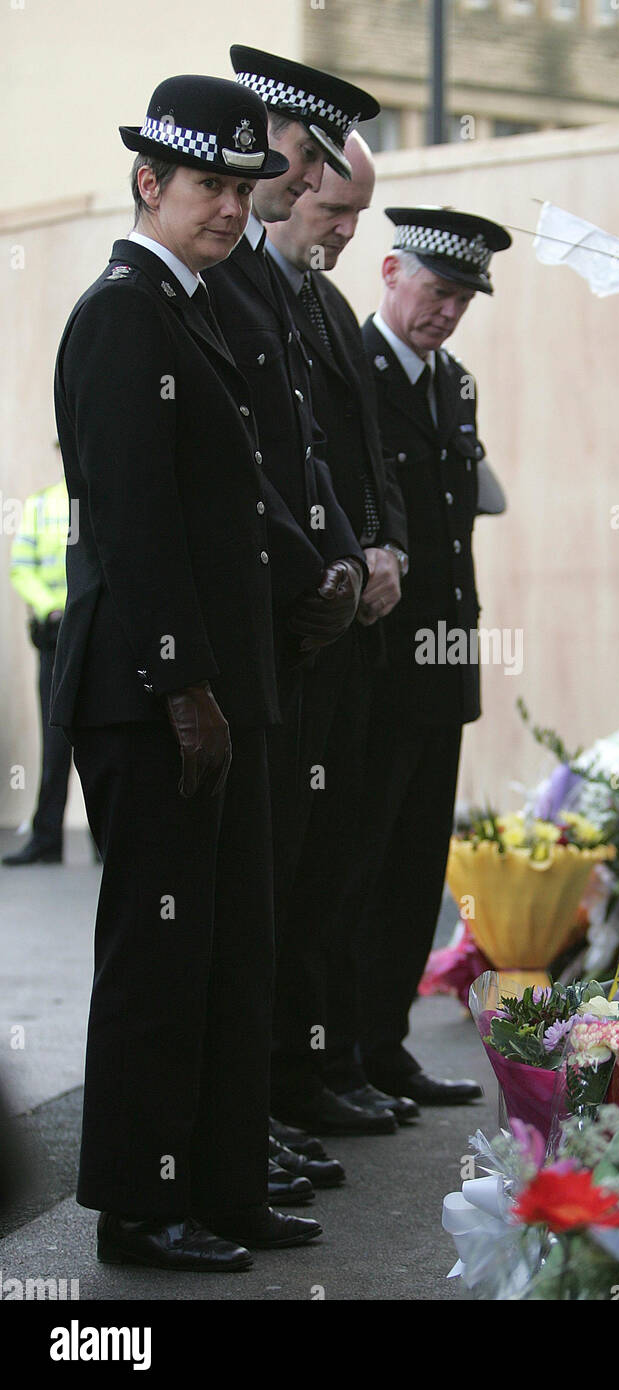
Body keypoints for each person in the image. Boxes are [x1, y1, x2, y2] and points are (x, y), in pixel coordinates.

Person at [51, 74, 322, 1270]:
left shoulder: (192, 308)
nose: (228, 206)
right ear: (148, 183)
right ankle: (141, 1202)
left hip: (219, 686)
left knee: (225, 948)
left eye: (240, 184)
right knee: (162, 954)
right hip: (157, 695)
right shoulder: (124, 313)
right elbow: (134, 519)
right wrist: (182, 686)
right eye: (206, 184)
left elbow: (232, 508)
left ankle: (217, 1184)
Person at [204, 47, 391, 1143]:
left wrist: (362, 552)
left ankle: (266, 1105)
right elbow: (240, 469)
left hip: (304, 619)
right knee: (228, 912)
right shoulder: (203, 283)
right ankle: (234, 1124)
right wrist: (319, 567)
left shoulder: (280, 289)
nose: (314, 192)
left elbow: (321, 457)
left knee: (300, 884)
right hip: (245, 636)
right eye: (312, 162)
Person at [264, 135, 418, 1132]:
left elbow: (369, 455)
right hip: (296, 626)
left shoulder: (321, 304)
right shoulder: (249, 293)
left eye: (361, 216)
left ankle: (317, 1071)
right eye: (335, 212)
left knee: (338, 869)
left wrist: (389, 545)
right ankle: (279, 1089)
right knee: (290, 877)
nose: (348, 231)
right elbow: (272, 466)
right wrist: (335, 560)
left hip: (351, 619)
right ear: (297, 182)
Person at [353, 207, 512, 1105]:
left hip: (443, 659)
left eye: (461, 299)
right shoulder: (353, 373)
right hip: (376, 665)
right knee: (361, 865)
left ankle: (385, 1043)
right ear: (390, 272)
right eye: (436, 289)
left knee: (418, 867)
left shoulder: (455, 386)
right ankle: (337, 1052)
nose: (446, 312)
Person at [4, 476, 72, 866]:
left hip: (98, 633)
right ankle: (47, 837)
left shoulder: (104, 491)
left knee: (105, 737)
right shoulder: (42, 504)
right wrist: (52, 606)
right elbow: (21, 567)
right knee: (55, 739)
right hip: (56, 634)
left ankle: (106, 843)